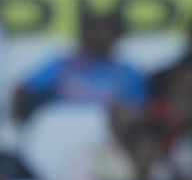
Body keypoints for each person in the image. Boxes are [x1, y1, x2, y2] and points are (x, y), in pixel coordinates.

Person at [16, 10, 145, 119]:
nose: (101, 36)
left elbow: (135, 112)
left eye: (106, 31)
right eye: (95, 30)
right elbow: (23, 90)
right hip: (63, 132)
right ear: (84, 34)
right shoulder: (63, 65)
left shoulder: (129, 74)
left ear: (116, 36)